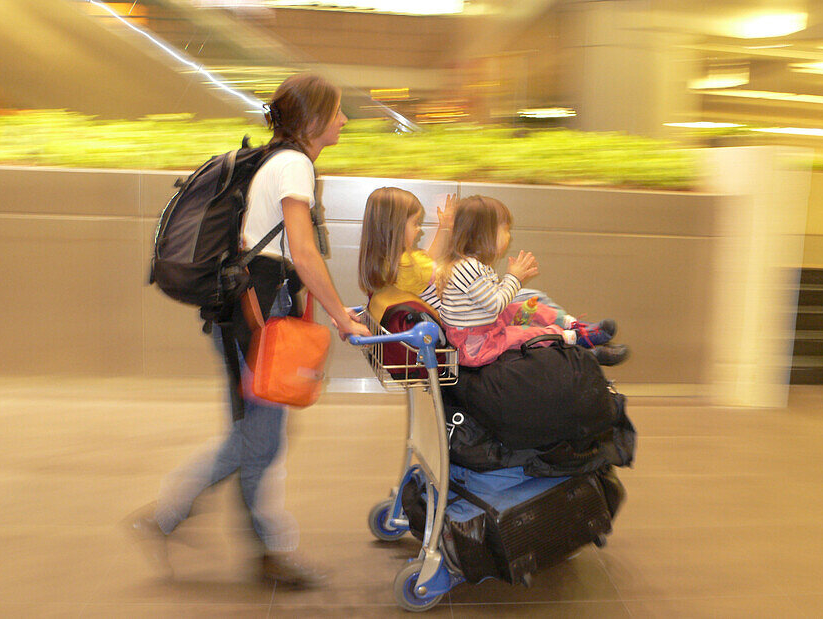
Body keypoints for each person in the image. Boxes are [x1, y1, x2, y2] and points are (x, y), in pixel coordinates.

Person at [127, 73, 370, 588]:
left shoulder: (277, 161)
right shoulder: (294, 164)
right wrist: (341, 316)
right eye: (337, 112)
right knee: (259, 438)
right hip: (258, 314)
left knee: (258, 435)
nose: (344, 121)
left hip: (247, 308)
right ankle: (188, 521)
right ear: (312, 121)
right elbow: (302, 252)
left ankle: (219, 533)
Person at [358, 189, 627, 367]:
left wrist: (444, 229)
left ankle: (577, 332)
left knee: (529, 305)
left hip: (470, 321)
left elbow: (431, 262)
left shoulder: (401, 264)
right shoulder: (403, 266)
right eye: (414, 223)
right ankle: (577, 339)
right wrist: (513, 278)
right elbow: (487, 299)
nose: (418, 231)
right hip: (473, 334)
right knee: (530, 307)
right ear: (392, 228)